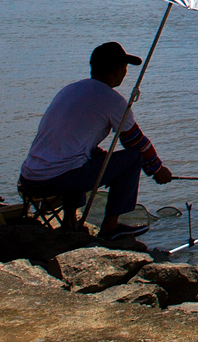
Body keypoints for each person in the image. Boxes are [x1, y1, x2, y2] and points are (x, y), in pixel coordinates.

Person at [20, 42, 175, 239]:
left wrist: (107, 162)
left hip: (28, 178)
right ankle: (110, 228)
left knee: (77, 160)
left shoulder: (70, 90)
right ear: (117, 71)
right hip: (59, 180)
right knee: (133, 158)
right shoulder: (114, 101)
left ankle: (70, 223)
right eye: (125, 68)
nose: (126, 72)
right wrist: (157, 169)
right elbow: (135, 142)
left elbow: (74, 144)